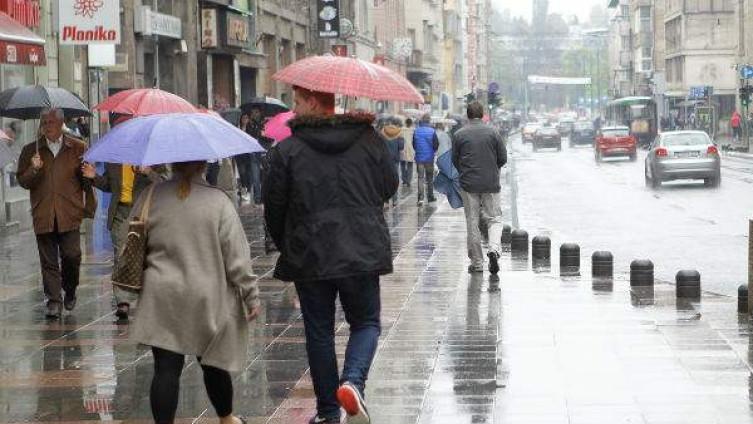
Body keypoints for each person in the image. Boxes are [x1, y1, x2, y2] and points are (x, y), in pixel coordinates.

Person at [264, 85, 398, 424]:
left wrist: (287, 243)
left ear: (312, 102)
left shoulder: (288, 150)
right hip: (361, 247)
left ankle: (327, 412)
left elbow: (274, 207)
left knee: (319, 332)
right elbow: (390, 185)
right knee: (365, 322)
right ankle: (352, 381)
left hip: (310, 252)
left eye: (296, 102)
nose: (293, 109)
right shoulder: (370, 140)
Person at [131, 160, 260, 424]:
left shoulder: (151, 195)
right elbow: (237, 257)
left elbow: (131, 239)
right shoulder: (218, 201)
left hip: (162, 294)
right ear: (203, 165)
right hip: (206, 297)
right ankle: (227, 419)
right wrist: (250, 294)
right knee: (213, 363)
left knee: (165, 369)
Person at [81, 115, 167, 321]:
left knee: (145, 257)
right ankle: (123, 302)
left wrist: (148, 172)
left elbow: (165, 181)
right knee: (121, 256)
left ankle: (147, 297)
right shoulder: (114, 157)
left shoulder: (151, 153)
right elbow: (110, 186)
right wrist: (94, 178)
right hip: (121, 212)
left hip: (145, 211)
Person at [16, 109, 92, 319]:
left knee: (72, 255)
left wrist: (89, 177)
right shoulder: (31, 150)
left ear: (61, 124)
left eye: (51, 122)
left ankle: (70, 288)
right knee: (48, 261)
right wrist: (33, 169)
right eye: (44, 122)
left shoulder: (77, 147)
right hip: (44, 212)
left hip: (69, 212)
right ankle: (54, 300)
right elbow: (23, 181)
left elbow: (86, 181)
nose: (46, 126)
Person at [452, 101, 508, 275]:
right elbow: (503, 158)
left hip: (468, 184)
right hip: (491, 183)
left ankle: (477, 263)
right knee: (495, 219)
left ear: (468, 115)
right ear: (483, 115)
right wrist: (492, 168)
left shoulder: (459, 135)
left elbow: (455, 160)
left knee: (472, 222)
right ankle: (494, 249)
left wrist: (465, 171)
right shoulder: (493, 132)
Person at [413, 114, 439, 205]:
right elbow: (436, 144)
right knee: (429, 178)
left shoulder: (416, 131)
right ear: (429, 121)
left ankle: (420, 198)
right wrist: (433, 151)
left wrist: (419, 151)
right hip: (429, 158)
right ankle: (430, 196)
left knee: (420, 177)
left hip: (419, 158)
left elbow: (414, 144)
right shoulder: (432, 131)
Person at [380, 117, 404, 208]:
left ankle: (385, 201)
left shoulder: (382, 132)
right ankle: (395, 200)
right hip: (395, 160)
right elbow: (401, 147)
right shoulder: (399, 133)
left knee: (385, 180)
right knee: (394, 180)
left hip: (384, 159)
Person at [235, 113, 254, 202]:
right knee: (241, 172)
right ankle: (244, 188)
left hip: (247, 154)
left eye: (246, 118)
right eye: (243, 118)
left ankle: (248, 190)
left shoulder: (250, 128)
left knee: (247, 172)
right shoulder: (237, 127)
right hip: (239, 153)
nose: (245, 120)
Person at [400, 118, 415, 187]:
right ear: (411, 123)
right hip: (411, 149)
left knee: (402, 165)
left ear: (405, 123)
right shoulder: (413, 130)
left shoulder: (401, 130)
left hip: (402, 149)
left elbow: (399, 140)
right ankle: (409, 180)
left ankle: (404, 180)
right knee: (410, 165)